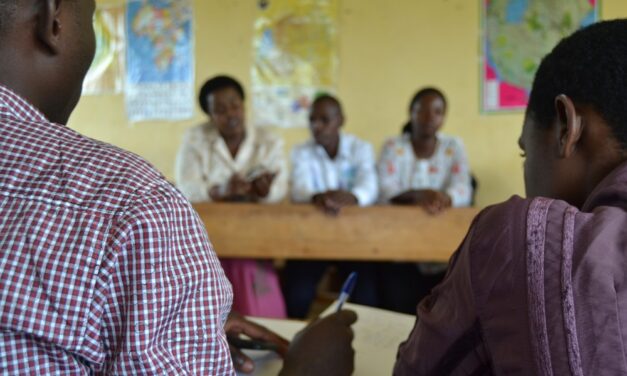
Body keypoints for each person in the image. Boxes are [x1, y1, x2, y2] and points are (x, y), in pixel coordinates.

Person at [287, 19, 627, 375]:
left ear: (565, 128)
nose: (429, 118)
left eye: (524, 153)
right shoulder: (393, 148)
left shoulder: (523, 236)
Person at [175, 75, 288, 318]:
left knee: (254, 286)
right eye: (221, 110)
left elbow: (281, 188)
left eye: (235, 105)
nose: (231, 114)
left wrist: (265, 192)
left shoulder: (269, 141)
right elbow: (185, 186)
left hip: (256, 234)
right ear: (210, 115)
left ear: (244, 105)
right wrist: (219, 192)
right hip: (210, 237)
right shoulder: (195, 138)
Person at [376, 88, 473, 314]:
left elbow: (463, 188)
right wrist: (419, 195)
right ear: (411, 112)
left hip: (442, 250)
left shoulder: (453, 146)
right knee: (398, 311)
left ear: (444, 117)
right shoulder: (393, 146)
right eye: (422, 111)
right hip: (398, 248)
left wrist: (444, 197)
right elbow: (384, 188)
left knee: (440, 313)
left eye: (438, 112)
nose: (430, 118)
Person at [283, 94, 380, 318]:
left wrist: (352, 197)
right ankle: (294, 344)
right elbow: (299, 190)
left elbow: (370, 187)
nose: (317, 126)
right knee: (297, 294)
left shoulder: (360, 148)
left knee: (368, 297)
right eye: (312, 120)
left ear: (341, 120)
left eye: (324, 120)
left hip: (356, 238)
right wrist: (320, 197)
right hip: (312, 239)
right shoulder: (301, 151)